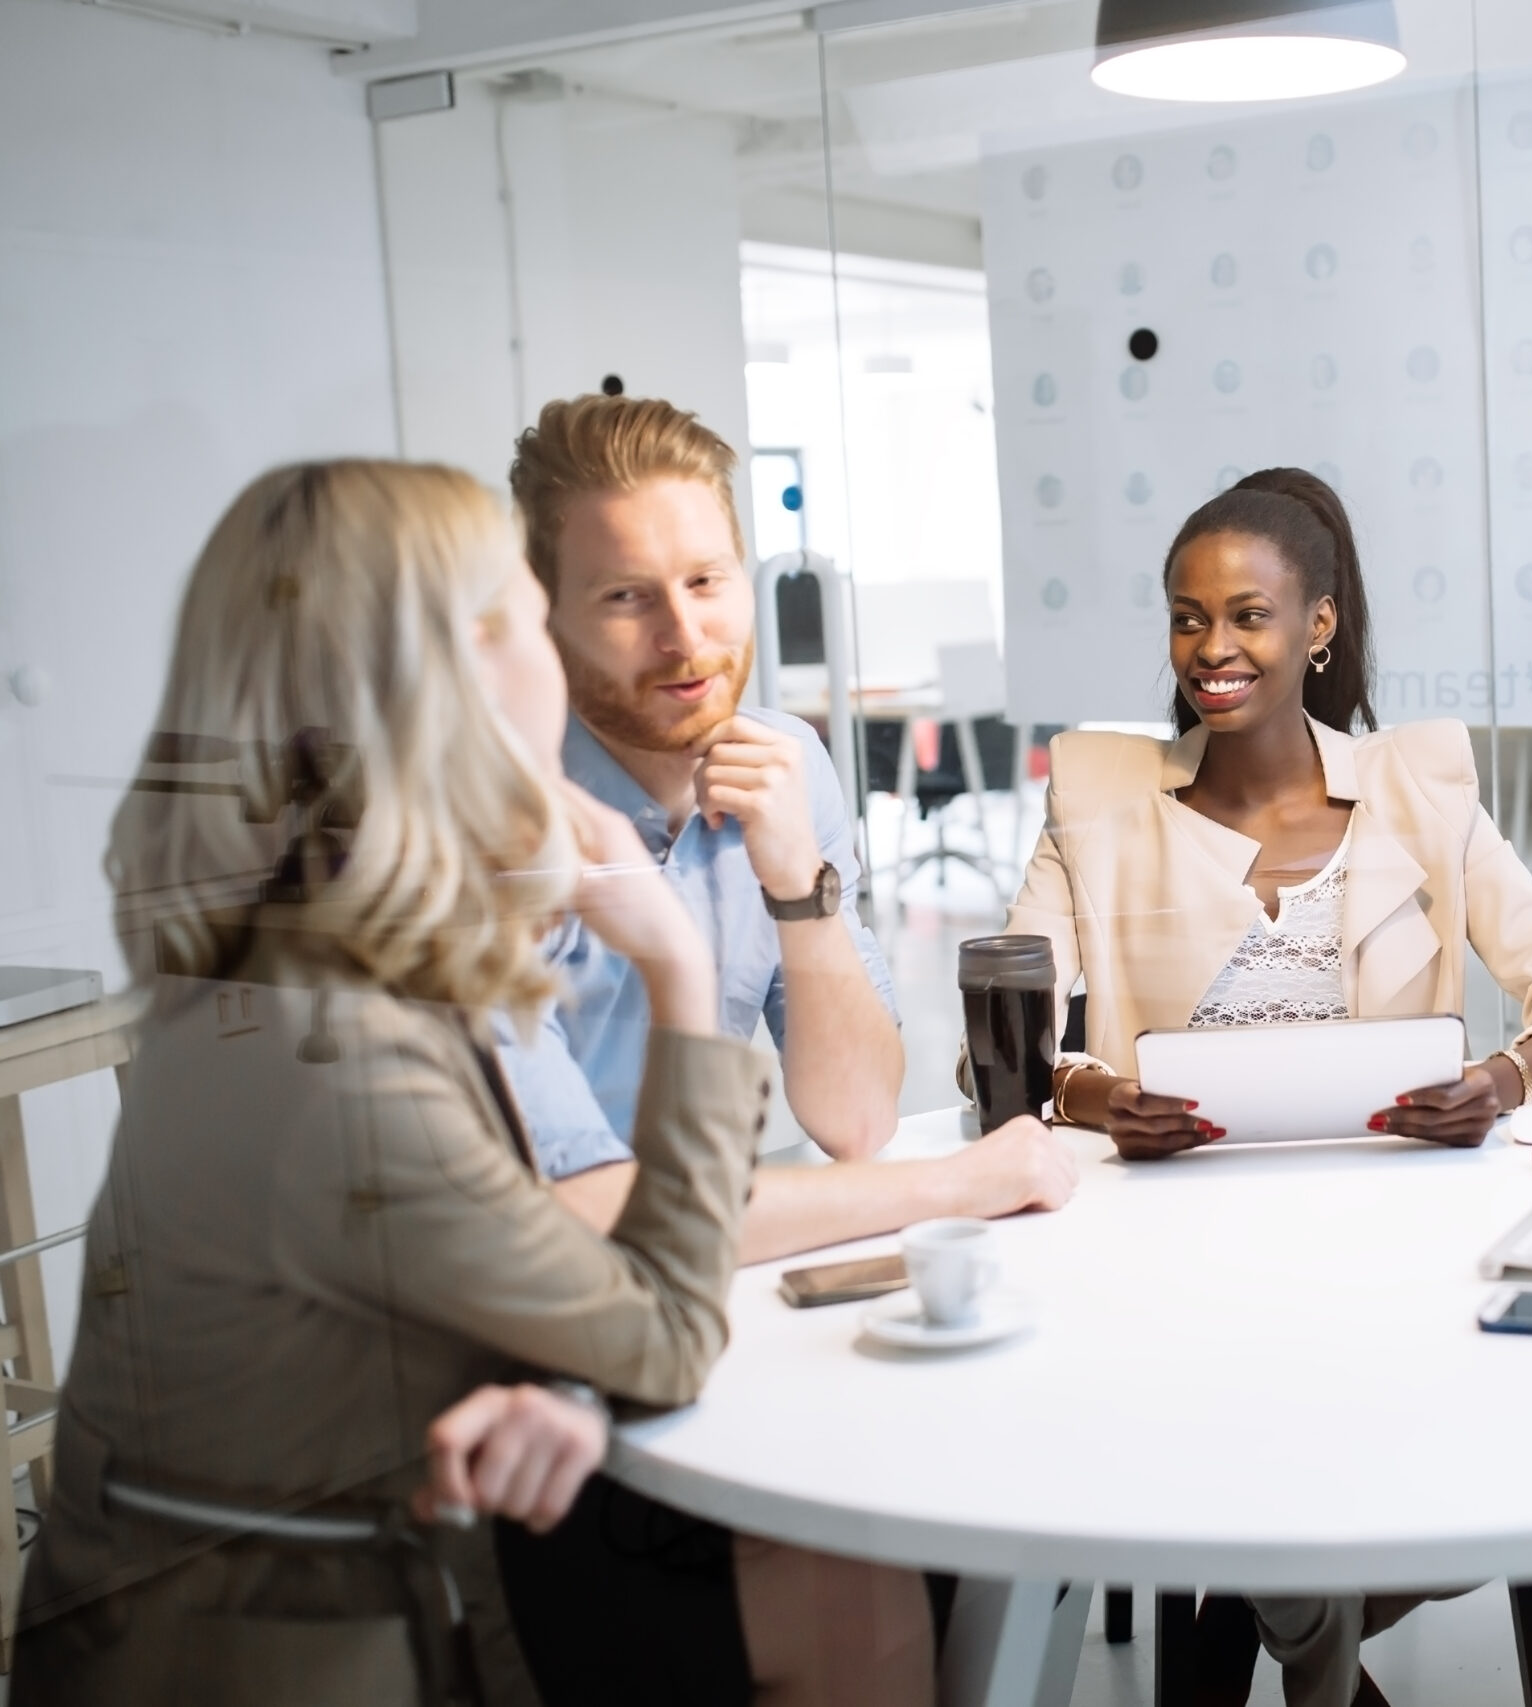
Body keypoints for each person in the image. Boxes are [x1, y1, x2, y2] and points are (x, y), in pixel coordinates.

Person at [10, 461, 790, 1703]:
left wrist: (554, 1380)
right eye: (533, 614)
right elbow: (666, 1338)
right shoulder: (343, 1058)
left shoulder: (293, 957)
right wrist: (676, 967)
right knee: (846, 1588)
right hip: (302, 1656)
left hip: (269, 1608)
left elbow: (431, 1282)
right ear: (467, 668)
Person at [993, 466, 1532, 1705]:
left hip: (1393, 1244)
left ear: (1316, 625)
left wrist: (1499, 1080)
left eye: (1248, 616)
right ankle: (1326, 1673)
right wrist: (1098, 1099)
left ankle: (1281, 1635)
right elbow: (1010, 1043)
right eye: (1188, 618)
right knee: (1239, 1420)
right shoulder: (1099, 802)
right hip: (1174, 1254)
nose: (1211, 649)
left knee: (1452, 1450)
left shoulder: (1420, 793)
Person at [503, 394, 1076, 1259]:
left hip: (706, 1274)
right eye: (626, 596)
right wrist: (959, 1184)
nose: (684, 635)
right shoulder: (488, 826)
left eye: (706, 581)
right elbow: (579, 1213)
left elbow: (858, 1120)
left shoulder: (788, 761)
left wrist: (799, 886)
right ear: (546, 617)